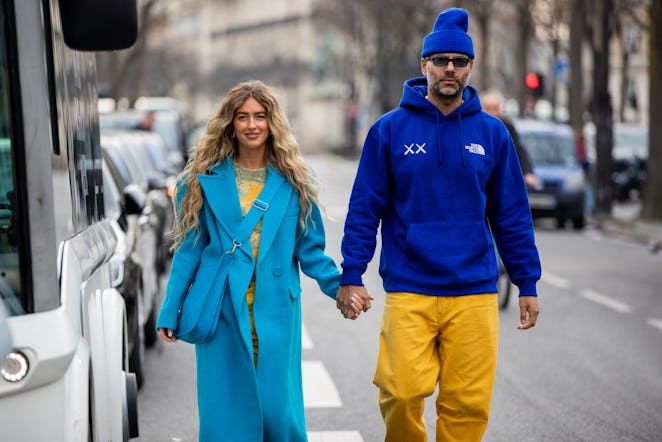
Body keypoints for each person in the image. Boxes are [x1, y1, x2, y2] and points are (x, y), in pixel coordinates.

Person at [335, 8, 542, 442]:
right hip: (410, 286)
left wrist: (527, 283)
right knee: (401, 392)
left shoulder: (493, 134)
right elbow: (363, 209)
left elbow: (512, 217)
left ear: (471, 68)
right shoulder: (388, 131)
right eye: (441, 60)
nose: (450, 69)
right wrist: (352, 273)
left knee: (467, 405)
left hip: (475, 290)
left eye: (459, 61)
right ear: (423, 64)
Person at [155, 80, 344, 441]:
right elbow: (189, 250)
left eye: (260, 116)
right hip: (222, 309)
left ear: (273, 123)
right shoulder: (201, 181)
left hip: (276, 311)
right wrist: (171, 309)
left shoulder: (294, 181)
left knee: (278, 414)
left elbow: (310, 250)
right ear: (230, 123)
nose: (252, 125)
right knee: (227, 416)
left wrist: (341, 289)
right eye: (243, 117)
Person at [482, 90, 540, 188]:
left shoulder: (506, 126)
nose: (492, 113)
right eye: (488, 109)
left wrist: (527, 172)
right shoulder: (475, 125)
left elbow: (518, 149)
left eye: (495, 109)